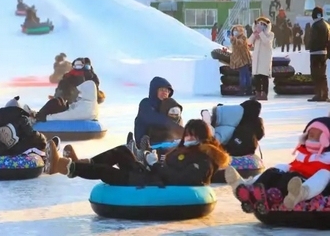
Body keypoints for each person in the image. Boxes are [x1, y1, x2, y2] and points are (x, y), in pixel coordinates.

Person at [44, 119, 230, 187]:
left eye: (193, 135)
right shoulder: (185, 150)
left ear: (202, 137)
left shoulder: (205, 158)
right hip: (152, 176)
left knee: (106, 172)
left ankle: (68, 167)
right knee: (122, 151)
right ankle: (83, 162)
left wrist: (154, 164)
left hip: (153, 183)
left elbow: (182, 179)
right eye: (187, 134)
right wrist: (153, 162)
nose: (188, 138)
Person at [226, 116, 330, 212]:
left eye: (318, 136)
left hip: (310, 184)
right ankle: (248, 188)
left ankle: (300, 193)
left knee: (324, 173)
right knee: (278, 169)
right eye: (310, 135)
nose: (312, 138)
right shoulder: (303, 154)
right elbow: (292, 167)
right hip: (292, 181)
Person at [133, 77, 184, 149]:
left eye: (167, 91)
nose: (165, 93)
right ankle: (140, 150)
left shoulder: (170, 105)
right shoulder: (146, 103)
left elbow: (177, 118)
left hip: (166, 142)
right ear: (154, 91)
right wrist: (177, 128)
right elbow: (152, 118)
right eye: (162, 90)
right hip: (147, 142)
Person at [306, 6, 330, 102]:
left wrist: (309, 46)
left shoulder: (316, 25)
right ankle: (325, 94)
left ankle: (318, 94)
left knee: (315, 74)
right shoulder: (326, 25)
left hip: (316, 52)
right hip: (324, 52)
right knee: (322, 75)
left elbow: (313, 40)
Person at [248, 17, 274, 101]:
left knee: (264, 77)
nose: (261, 26)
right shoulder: (257, 35)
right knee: (257, 77)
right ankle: (258, 93)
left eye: (263, 24)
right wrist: (254, 34)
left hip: (265, 59)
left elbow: (266, 42)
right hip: (257, 59)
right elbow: (249, 42)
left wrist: (261, 33)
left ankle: (265, 94)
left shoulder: (270, 34)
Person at [230, 25, 252, 95]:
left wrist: (234, 39)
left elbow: (240, 43)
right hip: (239, 60)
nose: (235, 32)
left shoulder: (243, 37)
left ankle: (244, 90)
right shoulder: (236, 38)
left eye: (237, 30)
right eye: (234, 31)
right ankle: (248, 89)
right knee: (245, 74)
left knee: (244, 75)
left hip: (243, 59)